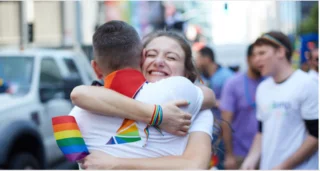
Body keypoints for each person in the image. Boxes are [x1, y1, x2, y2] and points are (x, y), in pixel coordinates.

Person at [69, 21, 215, 169]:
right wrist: (157, 115)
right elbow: (78, 94)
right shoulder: (92, 102)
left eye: (171, 58)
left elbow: (194, 166)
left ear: (186, 71)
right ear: (140, 58)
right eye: (152, 55)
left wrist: (117, 164)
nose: (159, 61)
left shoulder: (196, 109)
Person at [241, 31, 318, 170]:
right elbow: (261, 131)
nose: (256, 59)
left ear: (281, 52)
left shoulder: (307, 84)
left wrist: (283, 166)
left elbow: (316, 136)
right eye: (254, 55)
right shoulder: (262, 88)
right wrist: (251, 159)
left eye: (262, 53)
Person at [220, 44, 263, 169]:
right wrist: (229, 155)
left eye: (263, 54)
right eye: (256, 55)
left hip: (267, 153)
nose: (260, 60)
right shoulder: (233, 83)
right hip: (240, 154)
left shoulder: (270, 81)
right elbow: (226, 121)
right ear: (248, 59)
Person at [195, 46, 234, 169]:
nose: (196, 62)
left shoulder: (226, 76)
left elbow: (232, 102)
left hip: (223, 130)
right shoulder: (202, 77)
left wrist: (212, 102)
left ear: (207, 59)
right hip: (209, 131)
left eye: (199, 58)